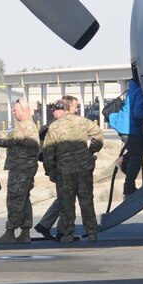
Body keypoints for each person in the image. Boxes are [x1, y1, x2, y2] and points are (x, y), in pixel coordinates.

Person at [42, 98, 104, 243]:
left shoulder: (54, 127)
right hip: (84, 169)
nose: (53, 113)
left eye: (54, 110)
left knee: (67, 203)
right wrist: (90, 151)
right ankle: (92, 233)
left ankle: (68, 234)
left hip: (64, 171)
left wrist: (50, 170)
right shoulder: (82, 121)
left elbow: (48, 151)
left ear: (60, 110)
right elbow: (98, 135)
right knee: (86, 201)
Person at [0, 99, 40, 244]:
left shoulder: (24, 127)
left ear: (24, 110)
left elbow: (6, 142)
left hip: (21, 169)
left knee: (15, 200)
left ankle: (10, 232)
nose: (14, 113)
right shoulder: (27, 126)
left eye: (15, 110)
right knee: (23, 200)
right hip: (24, 168)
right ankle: (25, 232)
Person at [35, 95, 77, 240]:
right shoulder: (53, 128)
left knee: (64, 198)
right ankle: (62, 231)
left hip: (64, 168)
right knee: (66, 199)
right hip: (61, 168)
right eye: (74, 107)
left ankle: (47, 225)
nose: (75, 111)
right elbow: (45, 152)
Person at [109, 77, 143, 197]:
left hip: (129, 127)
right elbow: (138, 113)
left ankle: (123, 160)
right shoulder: (139, 91)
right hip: (128, 129)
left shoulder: (134, 90)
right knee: (136, 157)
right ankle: (129, 189)